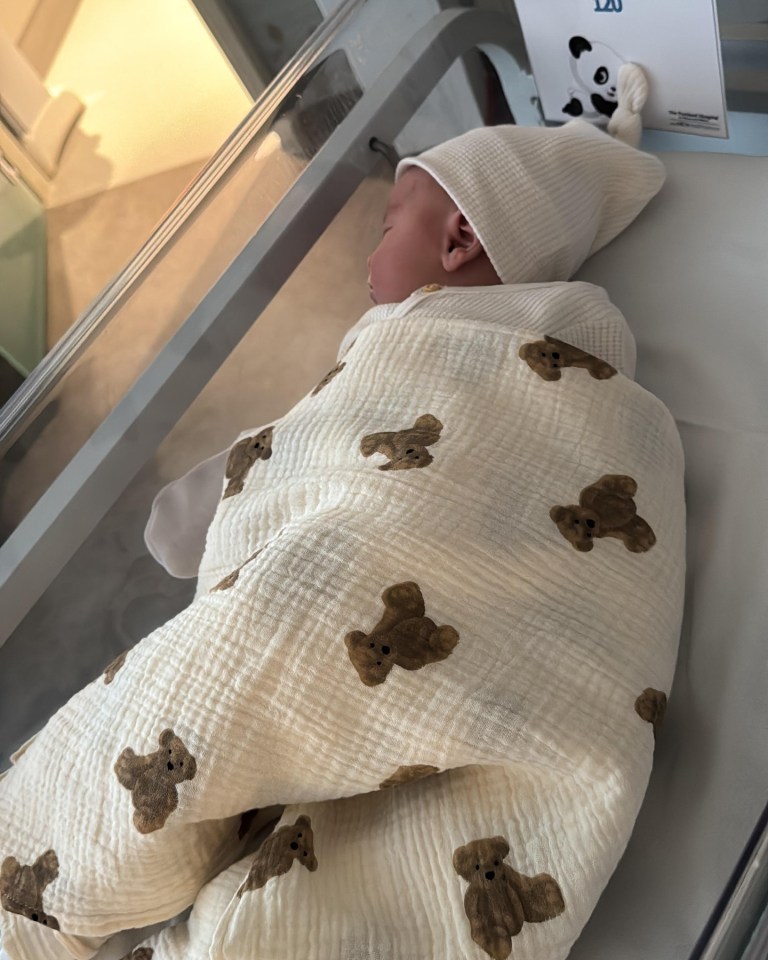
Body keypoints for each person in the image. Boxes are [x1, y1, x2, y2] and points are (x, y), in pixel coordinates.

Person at [0, 67, 686, 960]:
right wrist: (237, 492)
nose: (368, 258)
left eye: (388, 225)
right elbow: (317, 442)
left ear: (460, 242)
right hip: (405, 630)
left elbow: (343, 479)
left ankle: (29, 872)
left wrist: (228, 502)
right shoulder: (442, 356)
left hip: (355, 599)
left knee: (250, 654)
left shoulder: (512, 368)